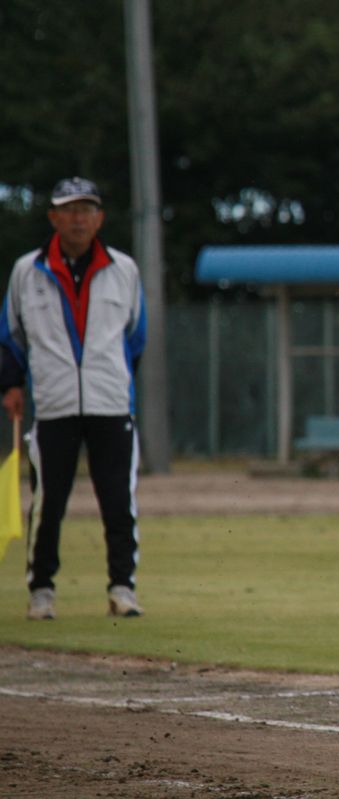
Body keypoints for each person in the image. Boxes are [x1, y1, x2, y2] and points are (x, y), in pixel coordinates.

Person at [0, 177, 147, 621]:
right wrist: (12, 385)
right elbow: (10, 337)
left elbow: (135, 337)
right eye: (69, 209)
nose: (78, 218)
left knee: (119, 501)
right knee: (48, 503)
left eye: (87, 209)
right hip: (54, 403)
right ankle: (41, 589)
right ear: (54, 217)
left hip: (111, 404)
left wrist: (118, 381)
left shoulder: (124, 270)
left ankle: (123, 588)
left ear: (100, 218)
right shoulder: (28, 270)